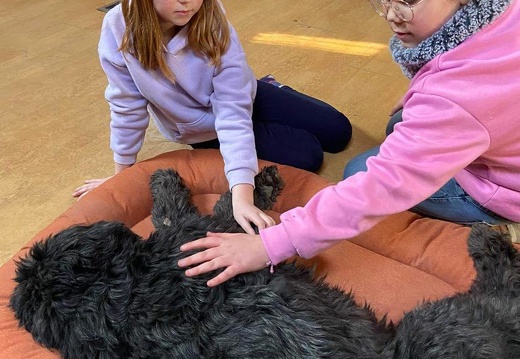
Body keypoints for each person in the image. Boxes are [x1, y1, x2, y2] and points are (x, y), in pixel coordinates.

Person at [178, 0, 520, 286]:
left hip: (507, 185)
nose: (390, 14)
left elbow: (379, 187)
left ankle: (495, 212)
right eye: (382, 0)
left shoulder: (452, 99)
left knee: (355, 167)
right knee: (387, 125)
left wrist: (269, 246)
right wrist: (423, 98)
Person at [72, 0, 352, 234]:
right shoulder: (117, 28)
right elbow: (126, 106)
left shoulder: (211, 18)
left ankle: (271, 86)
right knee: (309, 155)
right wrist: (122, 176)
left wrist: (241, 198)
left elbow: (233, 110)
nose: (188, 2)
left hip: (240, 98)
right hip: (205, 129)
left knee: (339, 130)